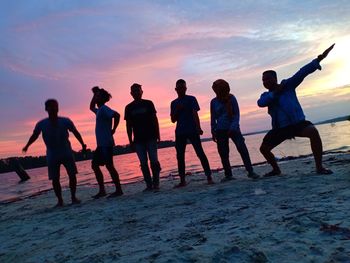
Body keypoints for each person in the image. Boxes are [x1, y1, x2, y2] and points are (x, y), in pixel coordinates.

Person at [257, 44, 335, 176]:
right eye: (263, 80)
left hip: (296, 124)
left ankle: (319, 167)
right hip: (280, 128)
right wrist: (275, 93)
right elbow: (261, 103)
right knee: (264, 149)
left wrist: (318, 60)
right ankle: (276, 169)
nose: (265, 82)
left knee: (313, 132)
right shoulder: (266, 96)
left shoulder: (287, 85)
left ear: (275, 79)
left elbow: (301, 73)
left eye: (268, 79)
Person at [22, 99, 86, 207]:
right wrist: (27, 145)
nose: (53, 108)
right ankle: (60, 200)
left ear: (58, 108)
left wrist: (83, 144)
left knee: (72, 175)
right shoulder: (41, 124)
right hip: (52, 154)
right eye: (51, 106)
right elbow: (35, 135)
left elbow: (75, 132)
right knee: (55, 178)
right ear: (46, 109)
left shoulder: (65, 121)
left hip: (66, 152)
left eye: (55, 106)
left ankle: (73, 197)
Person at [211, 79, 259, 181]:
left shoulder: (231, 98)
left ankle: (250, 171)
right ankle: (228, 175)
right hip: (220, 130)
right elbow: (213, 117)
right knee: (223, 153)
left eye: (217, 87)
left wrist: (233, 127)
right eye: (214, 88)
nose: (216, 90)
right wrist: (213, 130)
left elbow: (236, 114)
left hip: (234, 128)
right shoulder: (213, 102)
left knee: (242, 149)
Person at [170, 79, 214, 187]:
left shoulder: (191, 99)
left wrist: (199, 128)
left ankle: (209, 177)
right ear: (176, 89)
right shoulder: (174, 103)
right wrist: (178, 110)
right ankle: (182, 181)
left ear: (186, 88)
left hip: (192, 130)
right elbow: (173, 120)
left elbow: (195, 114)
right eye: (179, 88)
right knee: (180, 156)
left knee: (200, 153)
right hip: (180, 132)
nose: (181, 90)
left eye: (183, 88)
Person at [124, 83, 161, 191]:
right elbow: (128, 125)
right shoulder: (128, 107)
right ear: (131, 93)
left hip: (151, 137)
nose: (136, 92)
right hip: (138, 140)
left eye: (138, 90)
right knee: (143, 163)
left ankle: (156, 183)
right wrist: (130, 141)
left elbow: (155, 119)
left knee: (154, 160)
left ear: (142, 91)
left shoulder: (149, 103)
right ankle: (149, 185)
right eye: (134, 91)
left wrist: (158, 135)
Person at [90, 86, 123, 198]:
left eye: (98, 96)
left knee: (109, 165)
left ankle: (118, 190)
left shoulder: (104, 108)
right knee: (95, 165)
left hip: (106, 143)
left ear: (102, 98)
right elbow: (91, 107)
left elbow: (117, 115)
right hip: (101, 144)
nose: (96, 97)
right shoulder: (99, 110)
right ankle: (102, 190)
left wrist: (114, 129)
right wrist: (95, 94)